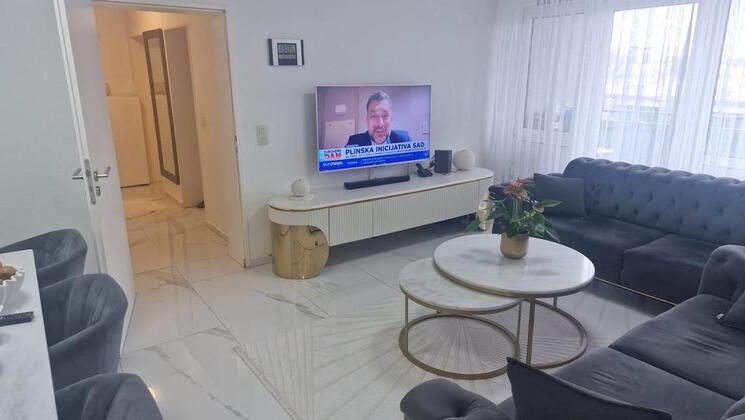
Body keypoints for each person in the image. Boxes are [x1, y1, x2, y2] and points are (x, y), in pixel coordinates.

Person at [345, 92, 411, 147]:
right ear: (367, 119)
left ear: (391, 119)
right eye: (373, 116)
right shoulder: (354, 142)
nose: (380, 124)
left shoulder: (404, 139)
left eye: (385, 116)